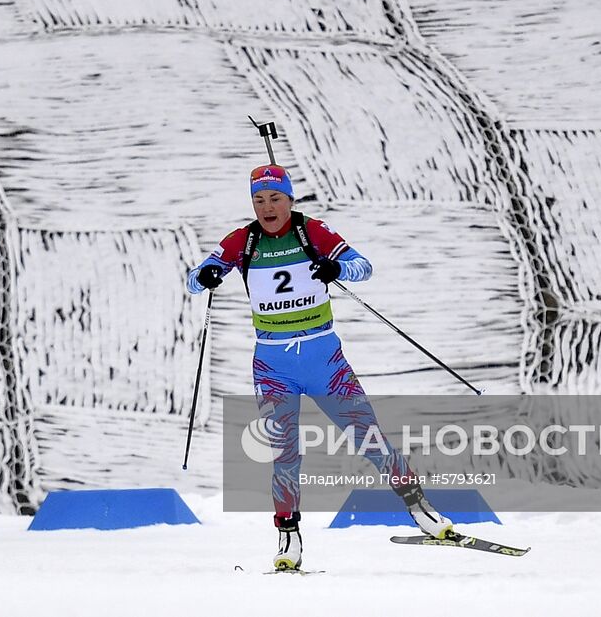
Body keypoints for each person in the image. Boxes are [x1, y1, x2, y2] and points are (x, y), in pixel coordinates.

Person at [187, 165, 456, 571]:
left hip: (324, 359)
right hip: (273, 365)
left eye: (275, 198)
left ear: (290, 200)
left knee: (367, 436)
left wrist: (337, 268)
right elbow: (194, 279)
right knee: (284, 451)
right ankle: (288, 534)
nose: (267, 207)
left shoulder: (311, 231)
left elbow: (363, 266)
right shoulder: (243, 240)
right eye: (259, 201)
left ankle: (419, 506)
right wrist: (205, 275)